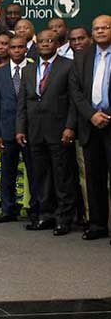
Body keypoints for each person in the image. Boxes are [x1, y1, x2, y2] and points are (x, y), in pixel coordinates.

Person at [16, 30, 78, 236]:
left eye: (49, 41)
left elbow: (73, 101)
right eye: (41, 41)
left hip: (59, 130)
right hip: (34, 131)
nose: (44, 44)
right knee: (40, 176)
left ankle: (64, 218)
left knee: (62, 177)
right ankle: (45, 215)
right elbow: (23, 103)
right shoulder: (28, 70)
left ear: (57, 44)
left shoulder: (68, 66)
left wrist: (70, 126)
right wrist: (20, 129)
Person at [72, 15, 111, 241]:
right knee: (94, 177)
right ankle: (97, 225)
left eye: (105, 27)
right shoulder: (83, 57)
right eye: (96, 28)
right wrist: (92, 114)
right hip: (91, 124)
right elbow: (76, 92)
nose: (100, 31)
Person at [0, 37, 34, 224]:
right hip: (6, 130)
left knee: (34, 172)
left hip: (30, 129)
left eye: (20, 47)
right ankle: (7, 209)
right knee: (7, 172)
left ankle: (36, 209)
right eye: (13, 47)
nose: (16, 50)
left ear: (26, 49)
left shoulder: (33, 69)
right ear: (8, 49)